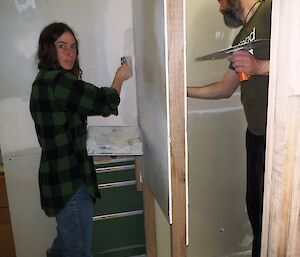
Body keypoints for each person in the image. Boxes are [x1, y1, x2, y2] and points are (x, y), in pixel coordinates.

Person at [29, 22, 132, 257]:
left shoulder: (42, 80)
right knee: (78, 251)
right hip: (70, 182)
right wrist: (120, 77)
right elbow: (104, 101)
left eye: (73, 46)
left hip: (55, 177)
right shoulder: (59, 82)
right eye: (62, 46)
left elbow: (75, 108)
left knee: (64, 244)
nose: (70, 52)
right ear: (49, 49)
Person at [187, 0, 271, 257]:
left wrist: (259, 67)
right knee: (257, 211)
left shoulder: (274, 10)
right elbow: (225, 89)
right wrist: (180, 92)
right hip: (256, 135)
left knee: (273, 218)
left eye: (220, 0)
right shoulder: (242, 37)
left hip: (280, 135)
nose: (219, 6)